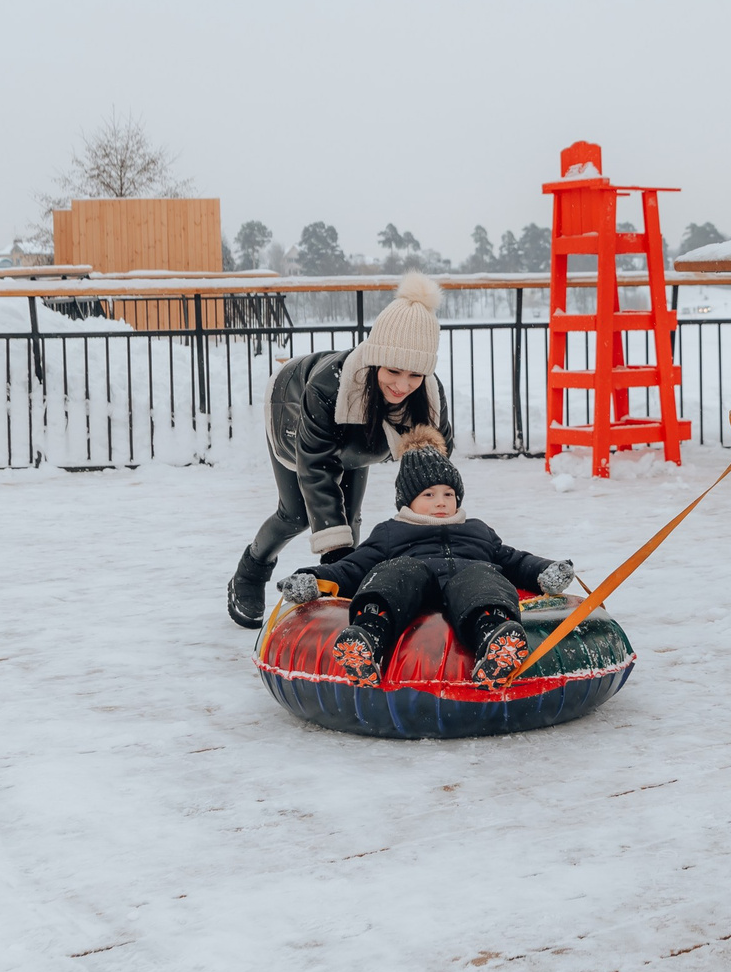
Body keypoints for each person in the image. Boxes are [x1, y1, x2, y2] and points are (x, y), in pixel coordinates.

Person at [227, 272, 456, 627]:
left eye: (414, 375)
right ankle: (252, 570)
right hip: (293, 410)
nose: (402, 385)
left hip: (361, 439)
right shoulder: (326, 388)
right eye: (393, 370)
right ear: (375, 359)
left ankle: (337, 597)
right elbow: (316, 467)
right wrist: (338, 557)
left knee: (350, 520)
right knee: (299, 515)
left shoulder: (426, 393)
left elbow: (435, 468)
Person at [275, 430, 576, 687]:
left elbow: (513, 559)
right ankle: (367, 638)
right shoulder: (392, 532)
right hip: (412, 592)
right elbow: (353, 567)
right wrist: (314, 579)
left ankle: (495, 639)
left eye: (448, 494)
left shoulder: (477, 530)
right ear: (409, 501)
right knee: (398, 570)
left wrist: (544, 570)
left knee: (483, 574)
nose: (441, 502)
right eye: (429, 495)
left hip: (468, 591)